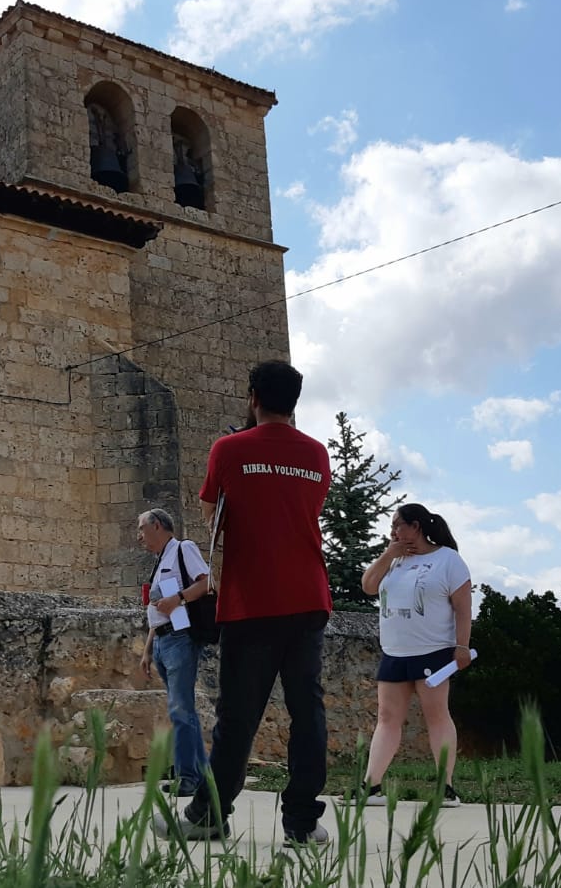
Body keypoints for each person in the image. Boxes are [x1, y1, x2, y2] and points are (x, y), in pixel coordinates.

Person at [154, 359, 334, 847]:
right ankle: (301, 821)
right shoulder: (317, 454)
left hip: (251, 599)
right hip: (307, 597)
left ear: (252, 395)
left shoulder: (229, 448)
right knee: (307, 712)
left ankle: (210, 813)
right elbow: (304, 511)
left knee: (237, 716)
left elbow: (211, 511)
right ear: (294, 402)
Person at [357, 503, 473, 808]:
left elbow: (463, 607)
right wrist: (387, 555)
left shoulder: (448, 560)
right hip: (395, 652)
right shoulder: (394, 560)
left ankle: (445, 787)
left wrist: (461, 646)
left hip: (433, 651)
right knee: (386, 717)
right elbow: (368, 586)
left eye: (397, 524)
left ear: (416, 526)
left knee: (436, 716)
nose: (393, 531)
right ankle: (372, 786)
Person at [136, 507, 214, 797]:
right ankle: (201, 775)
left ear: (157, 525)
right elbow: (158, 610)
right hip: (163, 641)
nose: (139, 536)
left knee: (181, 710)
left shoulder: (184, 549)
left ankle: (189, 778)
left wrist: (178, 598)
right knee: (182, 711)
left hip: (181, 638)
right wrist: (147, 650)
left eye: (142, 528)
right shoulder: (159, 561)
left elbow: (207, 582)